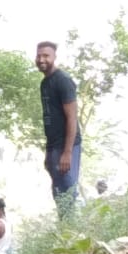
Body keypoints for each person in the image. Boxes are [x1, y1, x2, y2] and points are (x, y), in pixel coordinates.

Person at [36, 41, 83, 217]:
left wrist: (67, 153)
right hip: (54, 146)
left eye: (46, 55)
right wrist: (49, 153)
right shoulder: (45, 83)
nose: (42, 59)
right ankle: (66, 231)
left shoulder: (63, 80)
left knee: (68, 191)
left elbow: (72, 117)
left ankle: (76, 232)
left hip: (67, 146)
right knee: (58, 193)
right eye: (39, 55)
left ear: (54, 57)